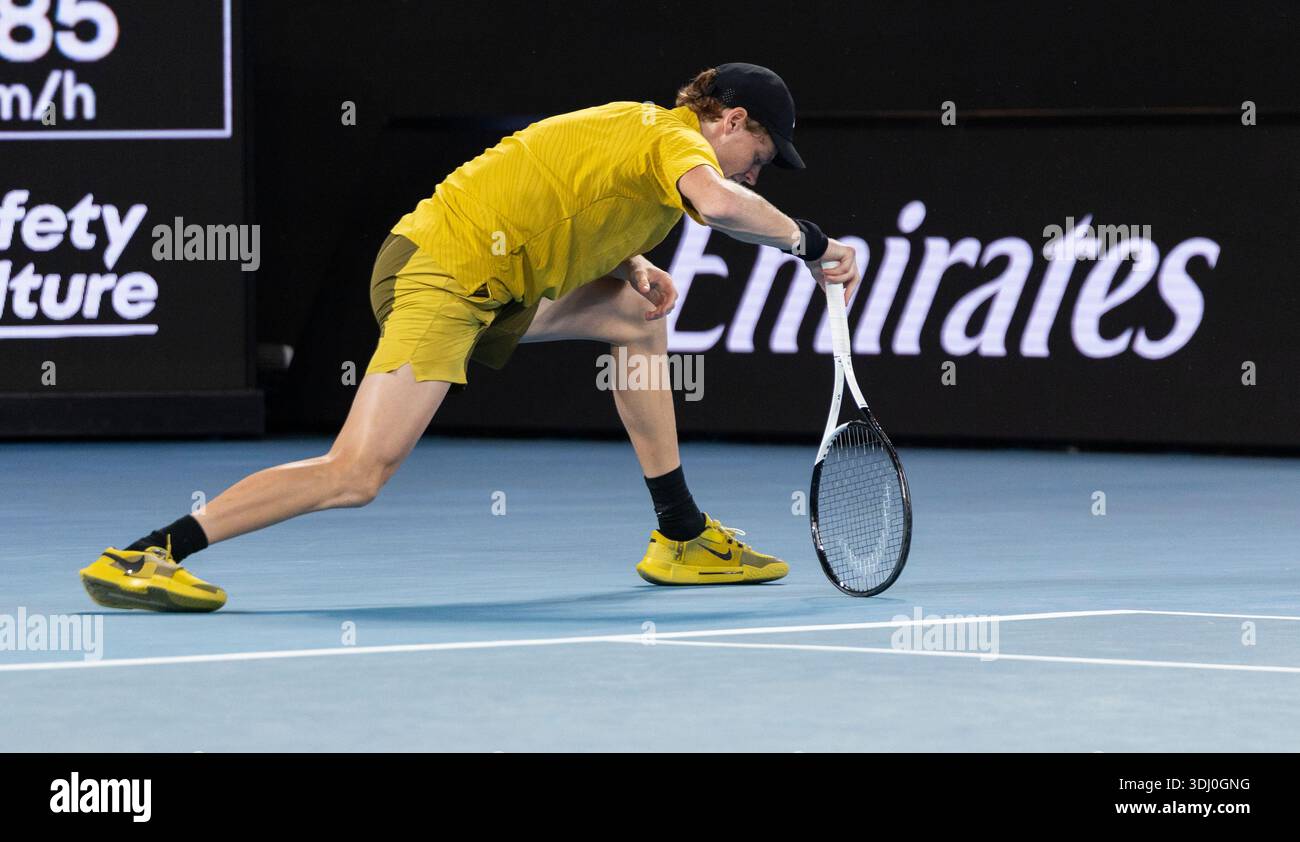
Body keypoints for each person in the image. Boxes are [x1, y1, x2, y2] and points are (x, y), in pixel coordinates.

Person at [78, 62, 862, 612]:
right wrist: (817, 246)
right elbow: (722, 205)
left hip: (481, 277)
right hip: (443, 277)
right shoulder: (678, 146)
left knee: (637, 319)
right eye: (757, 158)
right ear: (729, 121)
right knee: (357, 473)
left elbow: (556, 184)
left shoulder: (637, 134)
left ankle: (681, 532)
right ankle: (150, 552)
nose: (753, 176)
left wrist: (628, 260)